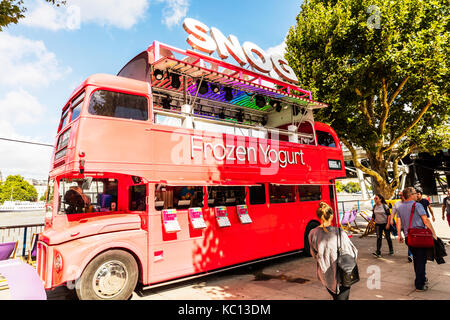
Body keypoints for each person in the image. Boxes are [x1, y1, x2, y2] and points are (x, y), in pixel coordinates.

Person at [308, 202, 358, 300]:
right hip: (343, 274)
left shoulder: (312, 233)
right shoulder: (340, 232)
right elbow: (353, 252)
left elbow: (313, 254)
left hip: (326, 276)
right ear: (331, 216)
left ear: (319, 216)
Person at [396, 187, 438, 292]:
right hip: (420, 237)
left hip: (408, 237)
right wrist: (434, 234)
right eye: (415, 193)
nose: (416, 195)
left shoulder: (400, 208)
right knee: (421, 261)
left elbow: (399, 222)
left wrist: (399, 235)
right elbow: (426, 221)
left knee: (417, 259)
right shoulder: (417, 205)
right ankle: (419, 284)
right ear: (410, 195)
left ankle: (422, 278)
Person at [393, 193, 413, 262]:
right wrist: (399, 235)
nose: (400, 197)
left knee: (409, 240)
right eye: (400, 195)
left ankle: (410, 255)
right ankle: (412, 253)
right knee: (408, 241)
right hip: (402, 225)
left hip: (409, 226)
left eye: (402, 195)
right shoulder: (398, 205)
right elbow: (394, 216)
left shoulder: (412, 204)